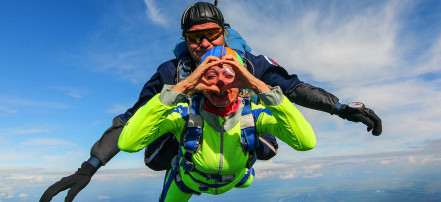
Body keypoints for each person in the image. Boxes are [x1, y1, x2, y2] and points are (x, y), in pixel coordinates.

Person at [40, 2, 382, 202]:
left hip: (238, 135)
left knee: (266, 138)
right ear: (184, 40)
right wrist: (90, 166)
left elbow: (291, 88)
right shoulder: (172, 72)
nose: (203, 44)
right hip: (191, 138)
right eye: (194, 38)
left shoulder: (250, 64)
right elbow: (132, 120)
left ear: (224, 32)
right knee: (156, 150)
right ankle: (188, 160)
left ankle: (239, 160)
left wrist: (339, 108)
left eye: (211, 35)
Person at [118, 46, 316, 201]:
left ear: (241, 82)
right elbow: (128, 143)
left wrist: (258, 85)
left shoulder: (253, 115)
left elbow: (305, 142)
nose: (220, 82)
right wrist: (183, 87)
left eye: (231, 75)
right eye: (210, 75)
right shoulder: (185, 114)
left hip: (237, 178)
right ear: (200, 81)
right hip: (188, 181)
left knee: (245, 178)